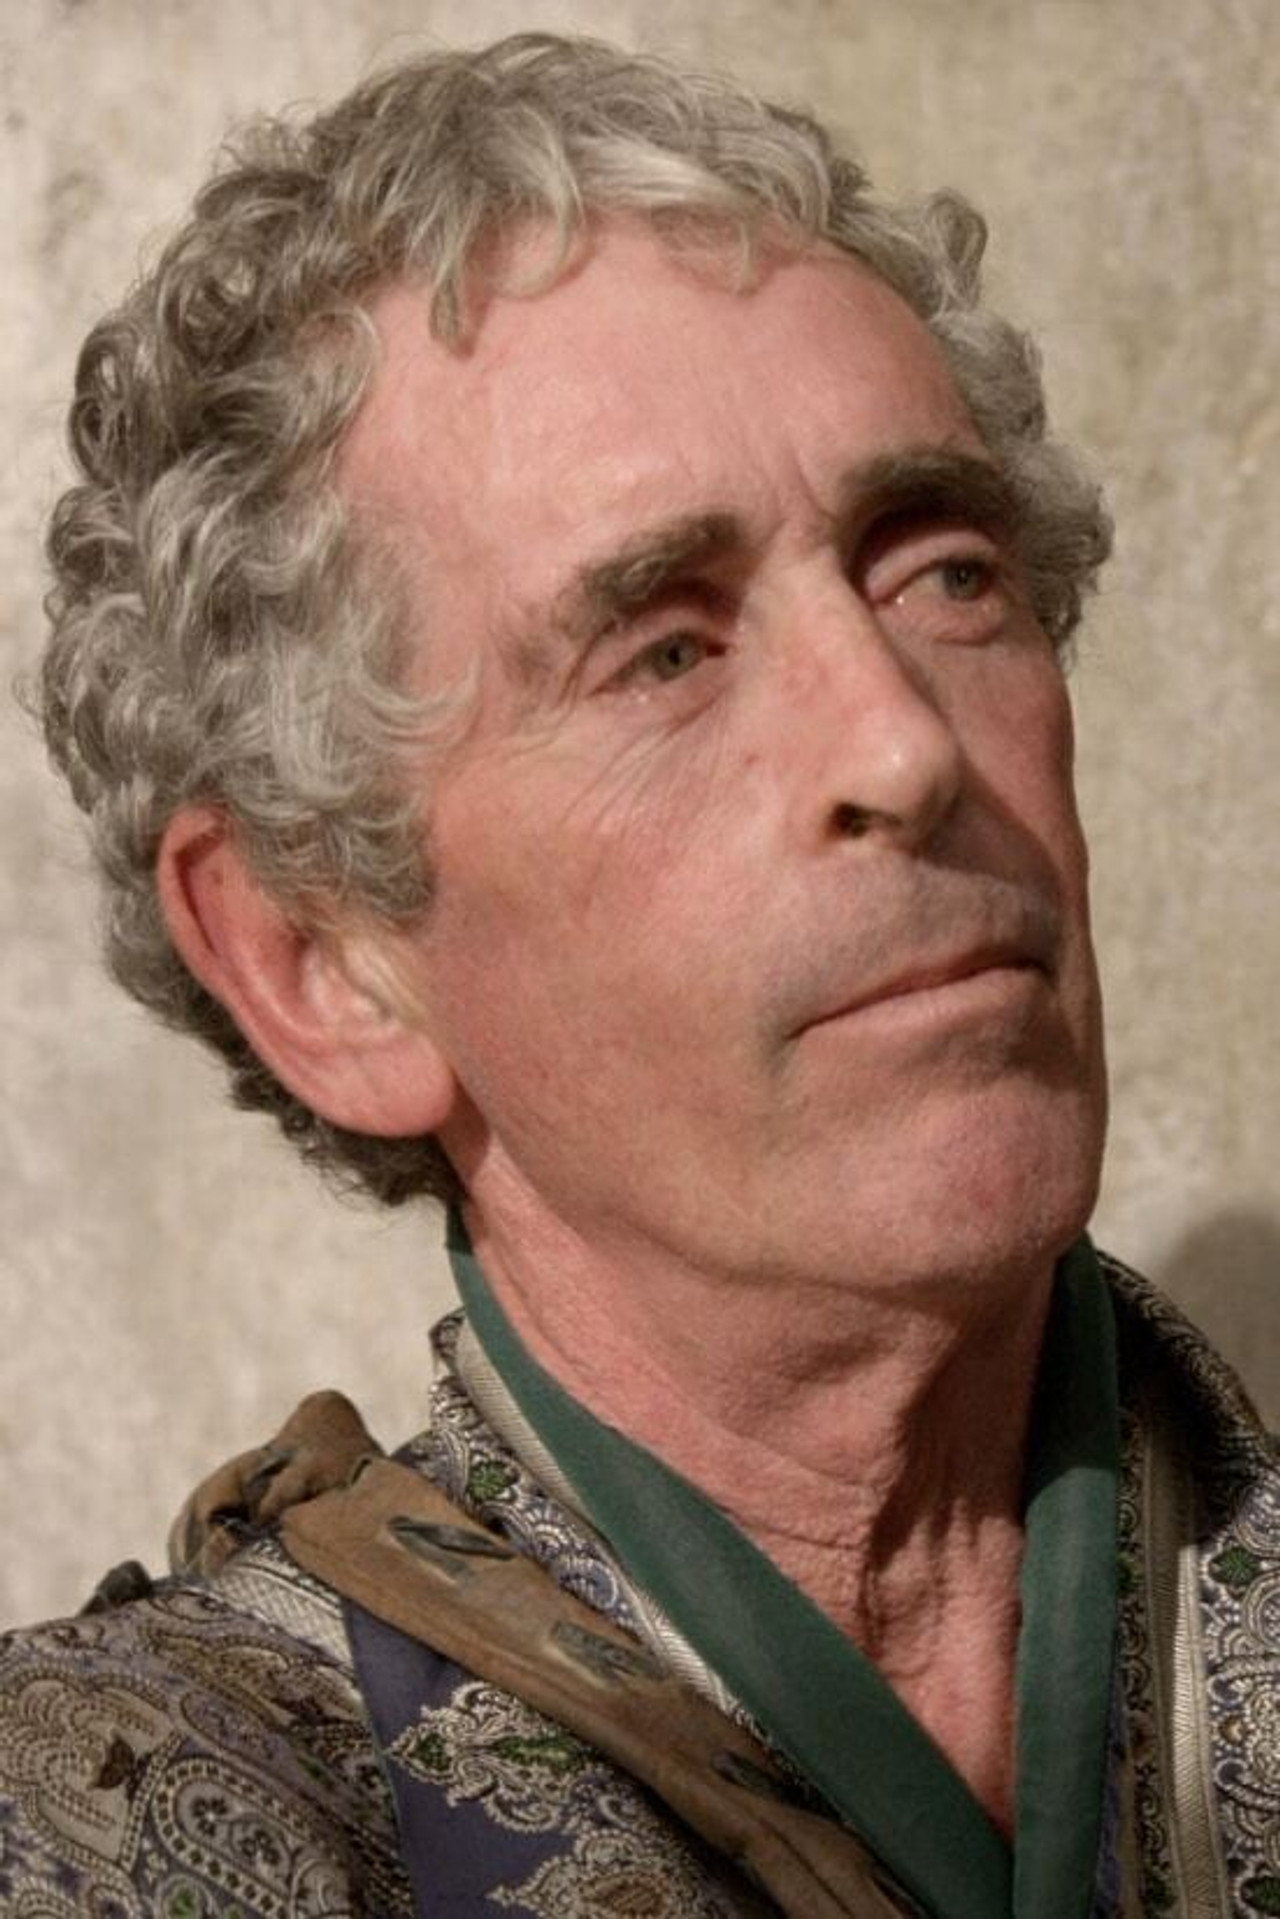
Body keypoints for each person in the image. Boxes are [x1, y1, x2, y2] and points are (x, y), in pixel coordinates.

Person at [3, 31, 1275, 1918]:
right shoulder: (127, 1838)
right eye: (665, 650)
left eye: (942, 571)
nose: (903, 745)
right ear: (323, 963)